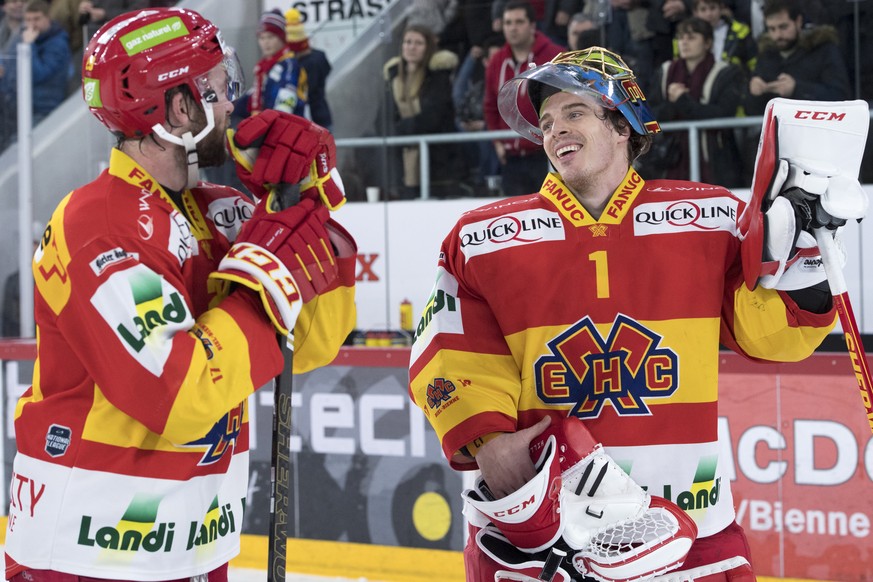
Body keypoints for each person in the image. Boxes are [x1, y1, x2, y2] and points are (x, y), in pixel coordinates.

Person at [409, 47, 843, 580]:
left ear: (623, 124)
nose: (555, 130)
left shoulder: (711, 218)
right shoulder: (479, 238)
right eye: (546, 121)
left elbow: (771, 338)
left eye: (574, 113)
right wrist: (488, 442)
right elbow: (447, 352)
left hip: (690, 526)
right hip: (543, 531)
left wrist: (810, 266)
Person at [4, 6, 356, 580]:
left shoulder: (214, 210)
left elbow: (313, 343)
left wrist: (307, 198)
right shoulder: (98, 224)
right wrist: (256, 285)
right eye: (217, 89)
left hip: (193, 547)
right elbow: (176, 396)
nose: (232, 102)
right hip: (85, 553)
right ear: (177, 109)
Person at [647, 17, 745, 186]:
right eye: (680, 37)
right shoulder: (664, 71)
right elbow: (649, 115)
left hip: (715, 160)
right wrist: (672, 105)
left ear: (707, 43)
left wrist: (682, 101)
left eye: (691, 37)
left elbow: (722, 113)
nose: (684, 43)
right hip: (670, 160)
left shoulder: (727, 73)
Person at [483, 0, 564, 197]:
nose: (512, 28)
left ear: (532, 25)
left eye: (519, 22)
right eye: (508, 23)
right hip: (510, 158)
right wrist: (497, 142)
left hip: (546, 155)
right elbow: (490, 106)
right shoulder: (496, 61)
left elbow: (566, 103)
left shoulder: (555, 55)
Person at [380, 23, 464, 199]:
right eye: (407, 42)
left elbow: (433, 116)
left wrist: (400, 131)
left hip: (438, 162)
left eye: (418, 43)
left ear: (428, 48)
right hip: (401, 159)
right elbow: (382, 117)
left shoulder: (438, 76)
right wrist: (395, 133)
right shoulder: (393, 77)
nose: (411, 47)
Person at [743, 0, 850, 116]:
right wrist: (753, 92)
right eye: (772, 29)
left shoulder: (823, 49)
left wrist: (796, 89)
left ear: (798, 21)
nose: (777, 35)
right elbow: (753, 111)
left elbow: (840, 96)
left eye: (783, 27)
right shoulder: (766, 55)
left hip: (817, 128)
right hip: (778, 131)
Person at [0, 0, 71, 126]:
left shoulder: (58, 43)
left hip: (43, 110)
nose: (32, 24)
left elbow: (37, 74)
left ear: (48, 18)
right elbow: (8, 63)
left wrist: (28, 46)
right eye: (28, 20)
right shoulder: (24, 34)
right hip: (17, 106)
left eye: (36, 19)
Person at [453, 35, 503, 194]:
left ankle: (486, 179)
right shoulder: (478, 88)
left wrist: (485, 125)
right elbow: (458, 95)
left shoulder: (513, 87)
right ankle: (470, 178)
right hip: (474, 140)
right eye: (492, 60)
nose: (496, 64)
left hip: (498, 142)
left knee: (487, 134)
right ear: (485, 62)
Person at [236, 9, 307, 119]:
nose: (266, 42)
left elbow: (286, 102)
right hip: (269, 125)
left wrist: (268, 124)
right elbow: (252, 95)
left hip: (287, 128)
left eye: (270, 37)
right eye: (262, 38)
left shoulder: (289, 64)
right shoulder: (263, 67)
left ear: (282, 38)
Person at [284, 8, 333, 130]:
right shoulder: (320, 56)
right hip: (321, 115)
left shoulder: (305, 64)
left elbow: (307, 90)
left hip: (313, 119)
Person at [690, 0, 756, 73]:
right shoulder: (687, 35)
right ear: (695, 13)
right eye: (703, 9)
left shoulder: (740, 31)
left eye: (712, 8)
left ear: (721, 9)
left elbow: (753, 61)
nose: (709, 14)